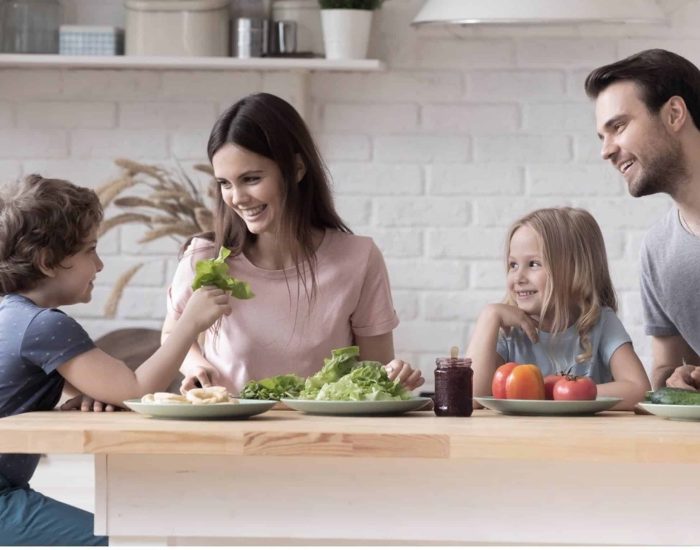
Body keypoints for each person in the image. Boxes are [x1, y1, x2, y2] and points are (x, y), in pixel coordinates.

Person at [0, 175, 231, 545]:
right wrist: (190, 322)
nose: (101, 265)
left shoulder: (13, 315)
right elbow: (135, 390)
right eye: (90, 250)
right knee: (119, 541)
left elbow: (105, 387)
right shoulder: (43, 326)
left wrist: (99, 394)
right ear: (47, 262)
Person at [162, 92, 423, 394]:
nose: (237, 197)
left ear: (297, 169)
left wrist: (393, 376)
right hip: (230, 433)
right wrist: (196, 365)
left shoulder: (358, 259)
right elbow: (173, 332)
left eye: (251, 179)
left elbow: (376, 367)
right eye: (225, 183)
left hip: (326, 436)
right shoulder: (204, 257)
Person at [585, 48, 700, 390]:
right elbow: (666, 368)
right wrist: (680, 379)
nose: (606, 150)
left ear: (674, 113)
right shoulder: (659, 250)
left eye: (617, 126)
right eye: (602, 136)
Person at [467, 207, 650, 410]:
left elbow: (638, 389)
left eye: (534, 264)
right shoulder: (508, 331)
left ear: (575, 270)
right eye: (513, 265)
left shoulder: (600, 322)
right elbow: (470, 397)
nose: (518, 277)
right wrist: (489, 316)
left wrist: (550, 391)